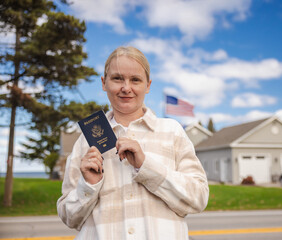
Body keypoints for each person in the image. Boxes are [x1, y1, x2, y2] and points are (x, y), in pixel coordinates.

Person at [57, 46, 209, 240]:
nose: (126, 88)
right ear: (104, 83)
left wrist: (147, 167)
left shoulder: (172, 132)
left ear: (148, 85)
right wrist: (88, 185)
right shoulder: (85, 141)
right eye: (117, 78)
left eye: (135, 80)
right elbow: (69, 217)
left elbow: (199, 199)